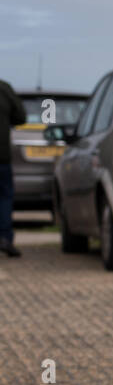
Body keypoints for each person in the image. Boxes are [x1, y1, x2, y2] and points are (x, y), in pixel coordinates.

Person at [0, 77, 25, 257]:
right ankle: (5, 238)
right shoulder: (4, 89)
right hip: (1, 157)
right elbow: (21, 117)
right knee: (4, 197)